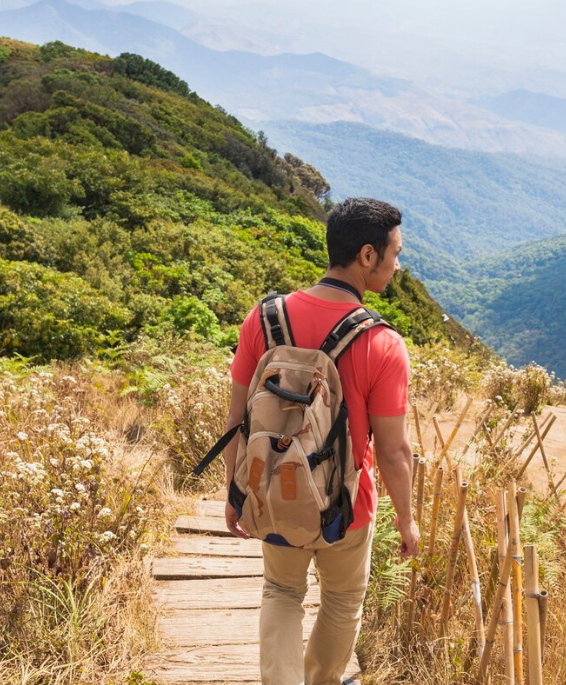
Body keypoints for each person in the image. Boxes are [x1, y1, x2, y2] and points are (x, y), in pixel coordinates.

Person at [223, 197, 420, 685]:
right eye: (395, 252)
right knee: (342, 600)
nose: (399, 264)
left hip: (271, 489)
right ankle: (321, 680)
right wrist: (408, 518)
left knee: (282, 593)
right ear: (368, 256)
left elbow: (235, 420)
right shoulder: (382, 343)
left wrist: (235, 490)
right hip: (347, 506)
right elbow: (394, 452)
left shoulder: (264, 320)